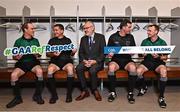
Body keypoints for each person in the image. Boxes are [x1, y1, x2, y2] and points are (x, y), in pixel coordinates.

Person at [6, 22, 44, 108]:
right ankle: (17, 98)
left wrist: (37, 54)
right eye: (32, 28)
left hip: (33, 63)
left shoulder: (36, 41)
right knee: (13, 75)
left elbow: (40, 54)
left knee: (40, 71)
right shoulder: (18, 41)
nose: (33, 30)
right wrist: (17, 56)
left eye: (33, 28)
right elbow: (14, 56)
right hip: (22, 63)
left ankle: (37, 96)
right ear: (25, 30)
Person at [136, 24, 168, 108]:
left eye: (150, 31)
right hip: (147, 61)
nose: (148, 32)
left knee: (163, 71)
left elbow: (165, 57)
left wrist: (159, 56)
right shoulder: (145, 41)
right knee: (138, 71)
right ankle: (143, 87)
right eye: (148, 30)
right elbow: (140, 55)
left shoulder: (162, 42)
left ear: (156, 31)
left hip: (158, 62)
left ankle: (161, 97)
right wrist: (143, 54)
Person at [107, 19, 137, 104]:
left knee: (133, 67)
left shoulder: (130, 37)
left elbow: (133, 50)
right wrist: (109, 55)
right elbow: (108, 52)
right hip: (116, 60)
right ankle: (113, 92)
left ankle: (130, 93)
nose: (130, 29)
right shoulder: (113, 37)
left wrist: (132, 52)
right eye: (129, 27)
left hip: (127, 60)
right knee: (111, 67)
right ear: (123, 27)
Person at [75, 21, 106, 101]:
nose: (85, 30)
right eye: (84, 28)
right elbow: (81, 52)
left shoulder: (100, 37)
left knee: (92, 70)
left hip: (97, 62)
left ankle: (94, 90)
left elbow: (103, 53)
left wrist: (95, 61)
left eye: (87, 28)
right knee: (78, 68)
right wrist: (84, 61)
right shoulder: (83, 39)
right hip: (86, 61)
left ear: (93, 28)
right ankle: (85, 90)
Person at [46, 24, 77, 103]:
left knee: (70, 69)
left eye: (56, 30)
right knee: (49, 70)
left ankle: (69, 94)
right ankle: (54, 95)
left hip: (66, 62)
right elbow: (47, 54)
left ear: (62, 31)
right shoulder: (51, 41)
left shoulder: (68, 40)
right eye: (54, 30)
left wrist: (73, 52)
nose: (55, 32)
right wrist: (53, 54)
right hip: (55, 62)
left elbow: (71, 55)